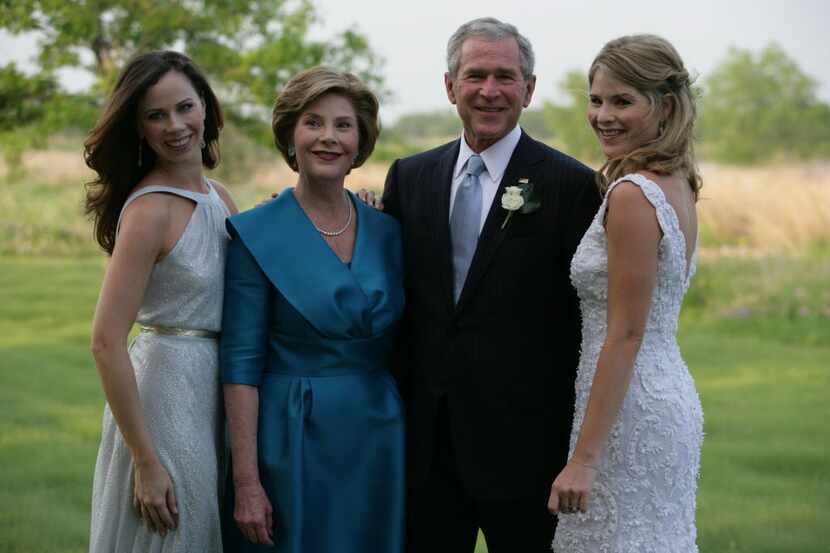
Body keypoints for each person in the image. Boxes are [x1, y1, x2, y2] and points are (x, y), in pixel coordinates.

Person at [378, 17, 600, 553]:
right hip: (427, 448)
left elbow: (583, 320)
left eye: (506, 76)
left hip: (527, 448)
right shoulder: (409, 177)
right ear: (450, 85)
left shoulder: (571, 185)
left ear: (529, 88)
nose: (490, 91)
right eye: (476, 75)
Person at [219, 66, 405, 553]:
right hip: (291, 435)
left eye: (344, 125)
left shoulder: (387, 229)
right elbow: (240, 366)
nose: (329, 138)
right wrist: (246, 482)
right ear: (290, 134)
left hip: (377, 434)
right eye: (313, 122)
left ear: (361, 139)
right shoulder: (256, 234)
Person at [549, 34, 704, 552]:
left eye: (622, 101)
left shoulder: (635, 195)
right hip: (659, 392)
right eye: (596, 100)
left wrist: (584, 459)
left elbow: (626, 334)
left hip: (628, 411)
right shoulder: (677, 182)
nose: (603, 116)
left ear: (663, 106)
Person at [86, 50, 237, 552]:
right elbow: (107, 341)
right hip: (164, 397)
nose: (175, 125)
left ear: (206, 109)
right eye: (156, 115)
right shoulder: (149, 211)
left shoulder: (220, 198)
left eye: (184, 107)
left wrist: (355, 204)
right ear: (140, 128)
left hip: (217, 391)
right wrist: (146, 462)